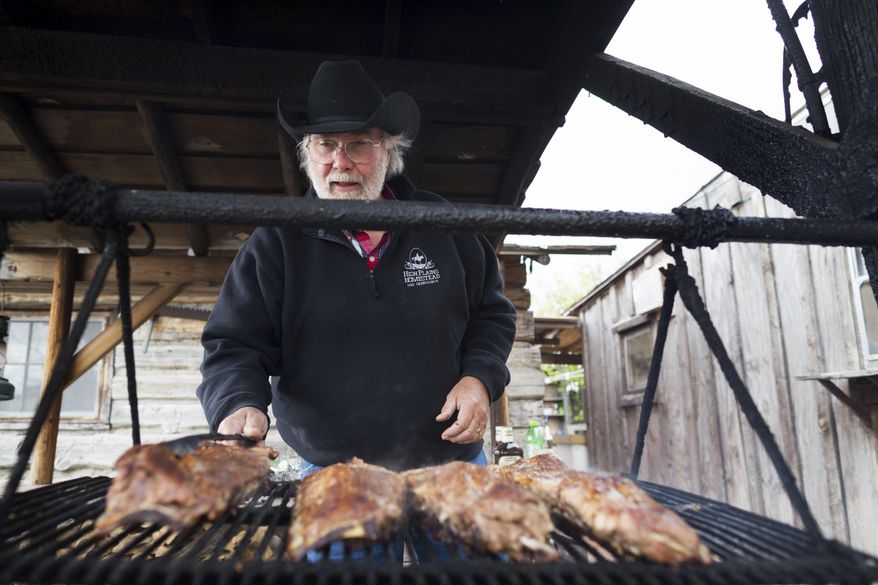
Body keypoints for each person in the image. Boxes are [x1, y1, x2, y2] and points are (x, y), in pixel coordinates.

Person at [196, 60, 516, 477]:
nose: (341, 162)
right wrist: (238, 401)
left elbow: (492, 315)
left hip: (452, 465)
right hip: (333, 473)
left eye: (359, 144)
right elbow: (234, 344)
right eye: (326, 144)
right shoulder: (278, 239)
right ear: (307, 152)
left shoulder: (444, 224)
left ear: (388, 150)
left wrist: (479, 378)